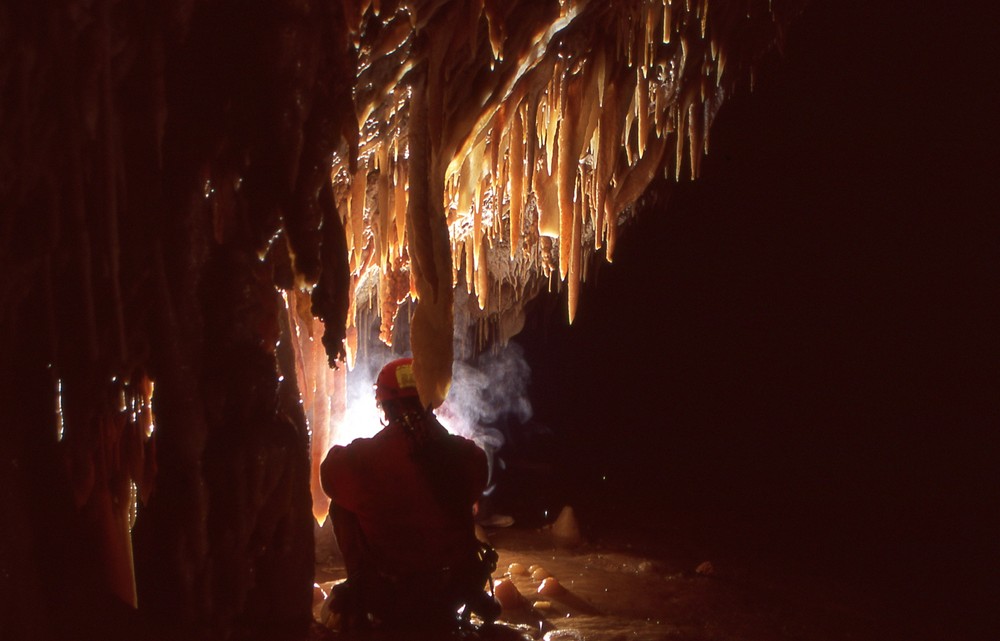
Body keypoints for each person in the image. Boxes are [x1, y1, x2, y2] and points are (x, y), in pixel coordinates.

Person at [320, 357, 501, 631]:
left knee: (342, 506)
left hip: (387, 593)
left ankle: (359, 583)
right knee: (460, 498)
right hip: (451, 590)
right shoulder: (466, 456)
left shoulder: (362, 461)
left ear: (383, 405)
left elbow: (328, 475)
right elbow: (476, 472)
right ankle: (471, 590)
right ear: (430, 399)